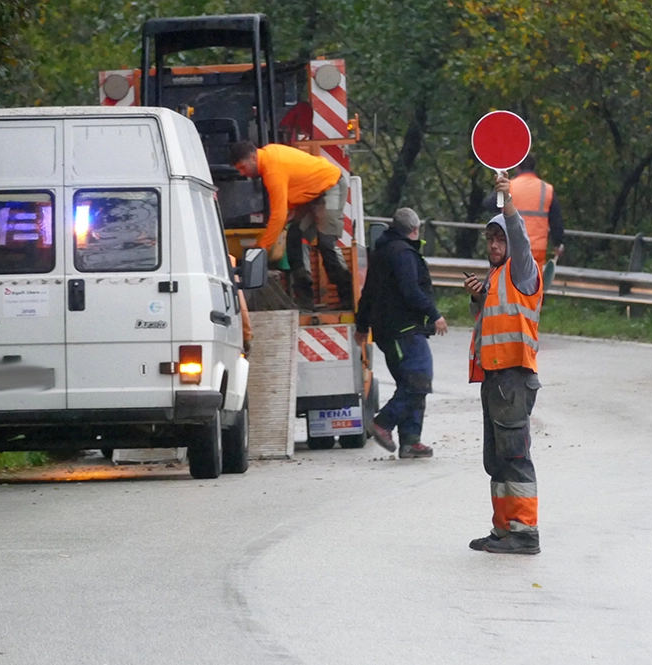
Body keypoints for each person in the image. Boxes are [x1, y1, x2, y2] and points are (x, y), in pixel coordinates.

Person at [464, 174, 543, 555]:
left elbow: (520, 234)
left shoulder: (521, 270)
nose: (495, 245)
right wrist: (478, 300)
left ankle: (525, 533)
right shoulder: (495, 277)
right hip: (495, 380)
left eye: (501, 240)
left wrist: (506, 198)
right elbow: (494, 324)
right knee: (496, 461)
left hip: (514, 379)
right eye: (490, 240)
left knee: (514, 457)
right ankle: (502, 530)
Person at [355, 208, 448, 459]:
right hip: (404, 330)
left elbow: (368, 293)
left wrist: (362, 325)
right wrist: (435, 314)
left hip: (389, 331)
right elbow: (411, 291)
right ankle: (383, 423)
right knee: (419, 380)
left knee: (411, 384)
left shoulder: (382, 251)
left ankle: (410, 441)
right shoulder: (404, 254)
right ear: (415, 230)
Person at [230, 140, 353, 310]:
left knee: (326, 243)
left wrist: (261, 247)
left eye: (243, 167)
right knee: (295, 238)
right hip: (309, 195)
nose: (243, 174)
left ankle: (348, 297)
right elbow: (288, 197)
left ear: (253, 157)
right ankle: (305, 300)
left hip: (330, 185)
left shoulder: (273, 169)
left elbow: (278, 216)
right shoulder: (269, 157)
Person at [483, 155, 564, 268]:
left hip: (511, 244)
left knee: (508, 280)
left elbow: (488, 204)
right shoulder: (547, 189)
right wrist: (557, 244)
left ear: (517, 167)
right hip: (536, 248)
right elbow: (556, 221)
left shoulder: (509, 186)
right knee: (534, 283)